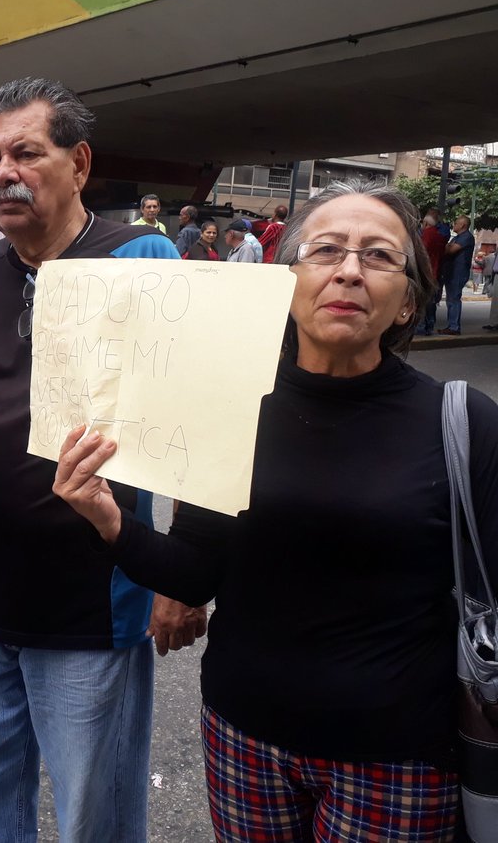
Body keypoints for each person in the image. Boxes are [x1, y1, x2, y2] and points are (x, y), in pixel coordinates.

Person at [54, 179, 490, 842]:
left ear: (408, 301)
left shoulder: (461, 421)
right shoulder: (231, 404)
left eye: (377, 256)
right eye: (326, 250)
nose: (348, 269)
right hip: (244, 736)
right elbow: (196, 573)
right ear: (284, 281)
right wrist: (107, 519)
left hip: (397, 756)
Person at [0, 78, 196, 842]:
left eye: (27, 152)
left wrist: (179, 575)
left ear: (79, 163)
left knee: (96, 811)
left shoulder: (144, 258)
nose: (3, 173)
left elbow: (193, 428)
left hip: (93, 608)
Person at [438, 215, 475, 335]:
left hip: (458, 272)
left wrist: (448, 247)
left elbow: (450, 250)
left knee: (453, 299)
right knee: (451, 299)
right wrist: (448, 246)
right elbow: (446, 248)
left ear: (463, 225)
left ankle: (454, 327)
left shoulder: (466, 237)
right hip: (451, 271)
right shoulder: (457, 238)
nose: (454, 225)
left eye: (456, 223)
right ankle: (452, 325)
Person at [416, 212, 449, 335]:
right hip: (436, 271)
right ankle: (430, 325)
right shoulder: (440, 236)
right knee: (431, 302)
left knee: (422, 300)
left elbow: (422, 252)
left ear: (426, 223)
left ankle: (421, 327)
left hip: (425, 271)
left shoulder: (426, 234)